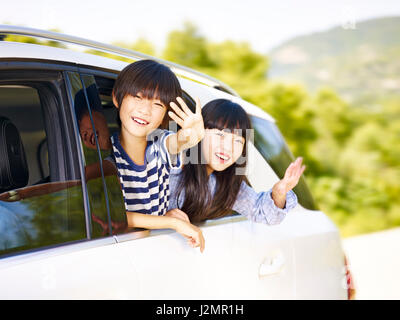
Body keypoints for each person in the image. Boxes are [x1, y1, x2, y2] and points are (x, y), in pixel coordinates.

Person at [168, 99, 305, 246]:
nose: (228, 148)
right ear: (200, 132)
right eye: (220, 135)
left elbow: (263, 213)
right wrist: (164, 219)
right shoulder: (172, 161)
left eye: (238, 141)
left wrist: (279, 192)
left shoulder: (225, 185)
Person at [105, 59, 206, 251]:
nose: (145, 110)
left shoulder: (159, 144)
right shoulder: (105, 155)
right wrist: (171, 223)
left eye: (158, 104)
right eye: (138, 97)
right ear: (117, 99)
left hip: (155, 250)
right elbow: (114, 215)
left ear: (165, 116)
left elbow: (177, 142)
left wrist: (191, 138)